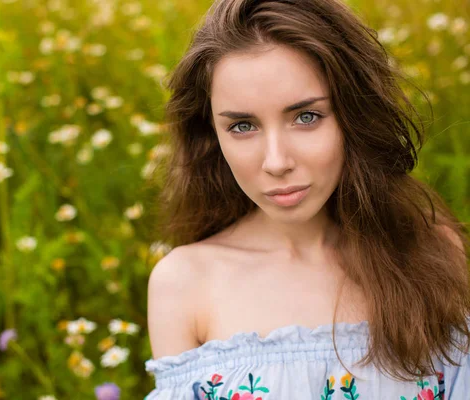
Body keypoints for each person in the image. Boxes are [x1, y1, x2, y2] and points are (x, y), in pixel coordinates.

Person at [143, 0, 470, 398]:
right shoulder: (185, 284)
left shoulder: (432, 252)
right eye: (243, 126)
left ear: (354, 114)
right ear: (211, 134)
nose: (276, 162)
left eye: (306, 117)